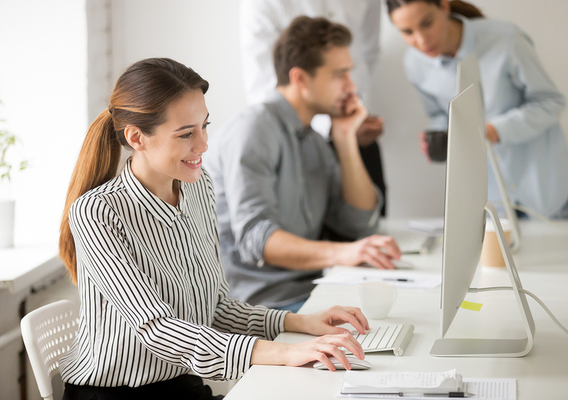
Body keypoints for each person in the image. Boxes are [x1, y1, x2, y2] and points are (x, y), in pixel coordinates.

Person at [57, 58, 373, 400]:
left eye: (204, 126)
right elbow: (156, 329)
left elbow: (217, 307)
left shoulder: (198, 187)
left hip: (180, 386)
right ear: (137, 138)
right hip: (115, 394)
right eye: (186, 134)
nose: (204, 144)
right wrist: (284, 353)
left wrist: (301, 322)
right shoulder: (97, 211)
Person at [205, 17, 401, 313]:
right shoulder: (255, 130)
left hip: (314, 291)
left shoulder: (312, 140)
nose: (352, 86)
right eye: (340, 74)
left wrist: (345, 140)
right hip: (264, 307)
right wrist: (344, 253)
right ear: (300, 78)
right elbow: (257, 240)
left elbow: (359, 222)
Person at [386, 0, 568, 218]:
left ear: (444, 6)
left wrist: (495, 130)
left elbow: (551, 102)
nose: (421, 40)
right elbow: (439, 115)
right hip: (491, 198)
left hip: (543, 187)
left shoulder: (505, 39)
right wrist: (440, 138)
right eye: (407, 32)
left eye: (427, 23)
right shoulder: (414, 63)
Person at [239, 0, 388, 215]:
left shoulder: (323, 142)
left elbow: (368, 53)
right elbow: (262, 81)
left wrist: (346, 129)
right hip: (295, 135)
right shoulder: (257, 134)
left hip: (348, 127)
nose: (351, 84)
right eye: (340, 75)